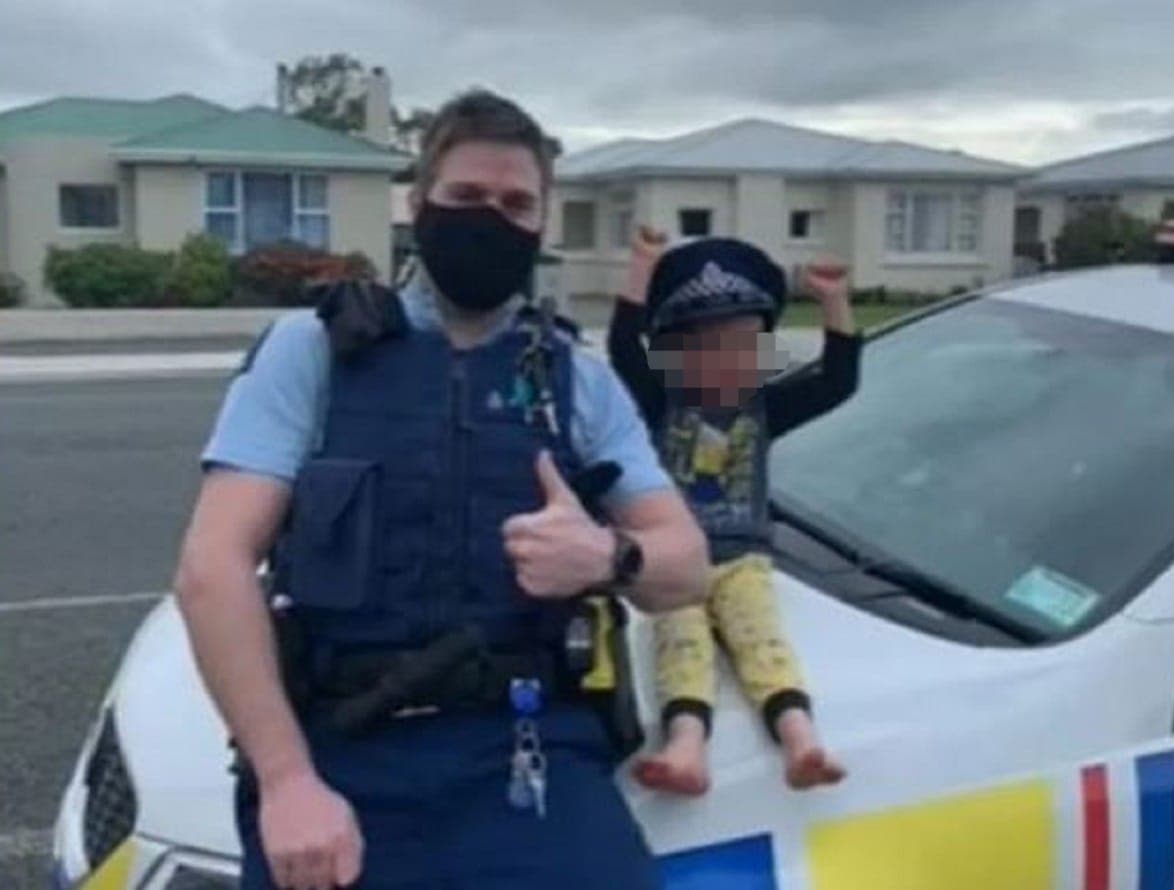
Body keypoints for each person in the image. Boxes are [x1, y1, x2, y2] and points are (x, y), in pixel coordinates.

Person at [173, 91, 709, 890]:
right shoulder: (312, 352)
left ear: (541, 223)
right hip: (337, 750)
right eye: (465, 198)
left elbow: (688, 565)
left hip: (526, 752)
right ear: (419, 203)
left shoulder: (575, 379)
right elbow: (211, 568)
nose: (491, 218)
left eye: (516, 203)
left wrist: (607, 554)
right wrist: (286, 782)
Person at [606, 227, 861, 796]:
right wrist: (643, 263)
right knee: (680, 642)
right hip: (678, 560)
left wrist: (834, 301)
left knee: (762, 639)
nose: (723, 362)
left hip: (744, 557)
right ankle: (686, 747)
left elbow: (837, 382)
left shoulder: (764, 406)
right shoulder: (660, 398)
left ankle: (801, 740)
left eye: (742, 346)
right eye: (703, 346)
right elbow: (625, 347)